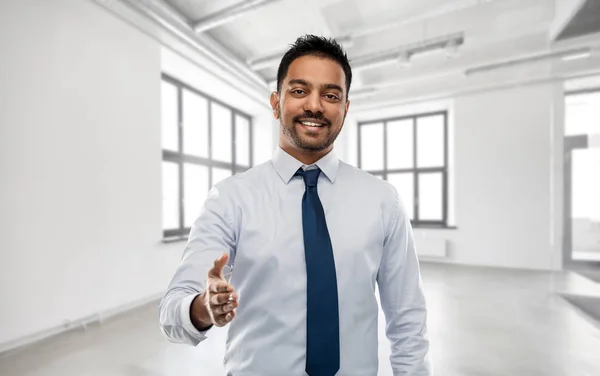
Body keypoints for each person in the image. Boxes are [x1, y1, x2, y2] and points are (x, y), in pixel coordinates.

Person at [159, 34, 432, 376]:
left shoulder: (382, 200)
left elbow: (407, 318)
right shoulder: (231, 198)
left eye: (331, 95)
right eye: (299, 91)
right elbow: (172, 312)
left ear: (345, 108)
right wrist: (204, 307)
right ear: (276, 103)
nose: (315, 106)